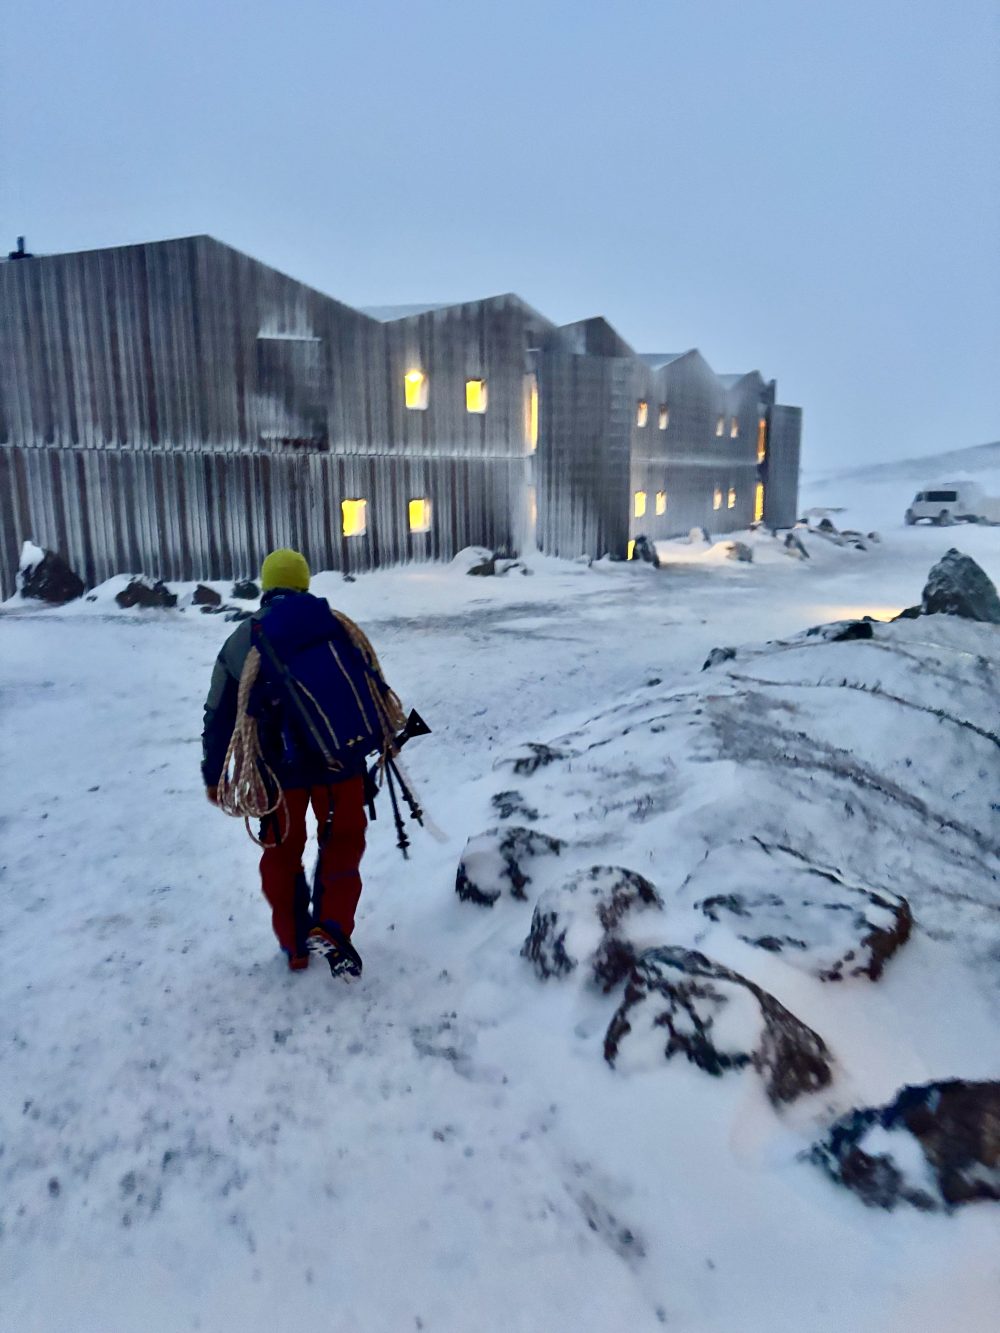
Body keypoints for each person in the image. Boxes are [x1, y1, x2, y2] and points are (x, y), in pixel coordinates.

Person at [202, 548, 403, 977]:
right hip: (341, 763)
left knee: (281, 853)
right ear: (305, 583)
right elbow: (369, 689)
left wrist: (214, 775)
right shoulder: (338, 627)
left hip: (278, 772)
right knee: (343, 845)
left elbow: (218, 714)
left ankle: (295, 945)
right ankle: (332, 927)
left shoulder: (244, 638)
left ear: (265, 585)